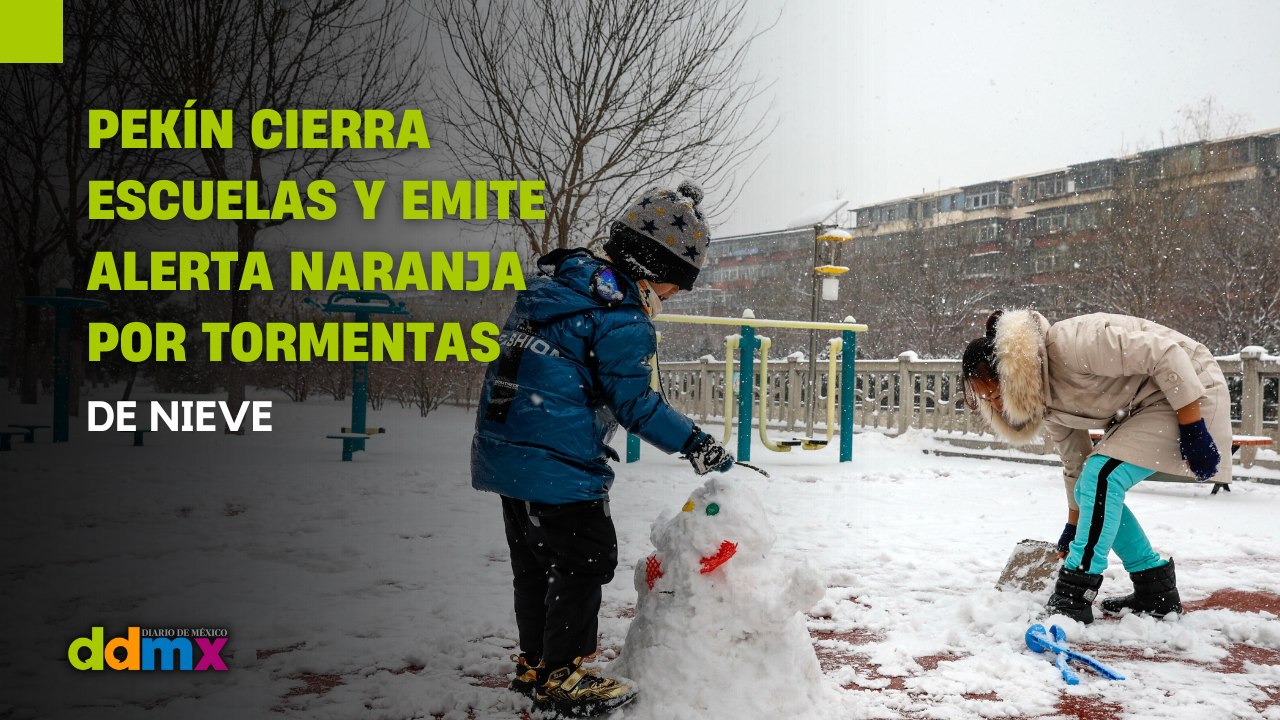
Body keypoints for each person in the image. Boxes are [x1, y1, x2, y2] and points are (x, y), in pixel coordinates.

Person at [471, 181, 735, 717]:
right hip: (557, 464)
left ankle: (536, 662)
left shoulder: (559, 290)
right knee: (586, 560)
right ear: (650, 266)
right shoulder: (619, 315)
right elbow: (634, 403)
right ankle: (563, 673)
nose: (674, 295)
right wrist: (695, 442)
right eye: (674, 284)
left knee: (535, 566)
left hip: (508, 453)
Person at [961, 309, 1228, 624]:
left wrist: (1193, 428)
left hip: (1191, 390)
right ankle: (1155, 590)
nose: (995, 405)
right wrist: (1074, 525)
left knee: (1102, 476)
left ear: (1010, 375)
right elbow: (1075, 463)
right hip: (1149, 405)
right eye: (986, 400)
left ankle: (1074, 595)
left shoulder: (1071, 344)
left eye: (994, 393)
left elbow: (1166, 354)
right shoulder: (1043, 398)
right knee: (1095, 481)